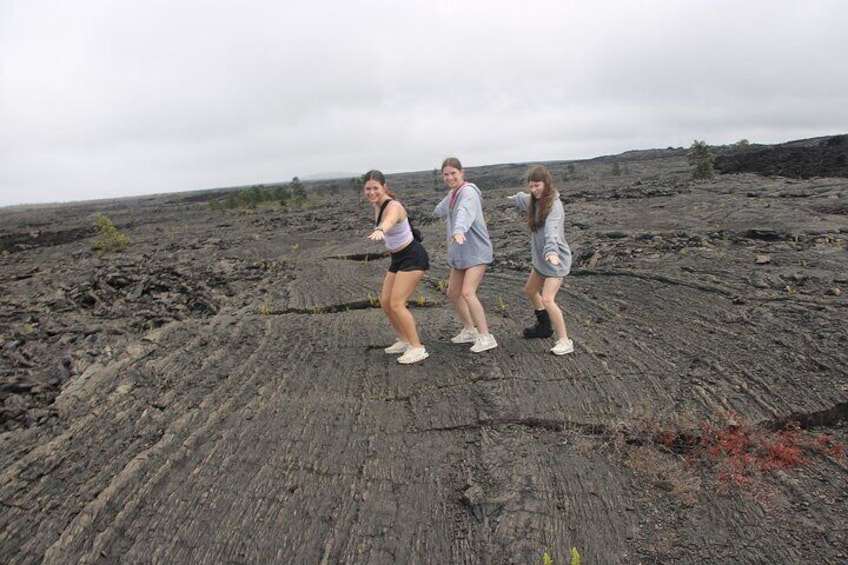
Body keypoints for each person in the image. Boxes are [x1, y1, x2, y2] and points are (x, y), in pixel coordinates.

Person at [364, 170, 430, 365]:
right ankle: (404, 340)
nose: (371, 192)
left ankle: (417, 348)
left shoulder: (394, 206)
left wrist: (380, 229)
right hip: (398, 258)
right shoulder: (377, 205)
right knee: (385, 302)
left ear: (384, 187)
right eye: (368, 189)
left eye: (375, 188)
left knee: (396, 303)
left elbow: (390, 220)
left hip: (413, 256)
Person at [508, 165, 574, 355]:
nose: (535, 190)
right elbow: (525, 199)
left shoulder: (554, 206)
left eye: (537, 185)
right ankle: (543, 326)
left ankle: (565, 341)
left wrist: (552, 252)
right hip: (541, 260)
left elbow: (552, 231)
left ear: (546, 183)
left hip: (556, 260)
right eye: (532, 186)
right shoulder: (535, 200)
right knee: (529, 290)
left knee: (547, 298)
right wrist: (516, 198)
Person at [433, 157, 497, 353]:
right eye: (446, 174)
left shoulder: (468, 192)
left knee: (468, 292)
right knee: (453, 292)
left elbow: (464, 211)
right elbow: (442, 209)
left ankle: (486, 336)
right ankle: (470, 330)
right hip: (462, 253)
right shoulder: (454, 193)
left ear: (462, 172)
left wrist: (459, 230)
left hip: (477, 251)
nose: (450, 177)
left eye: (453, 173)